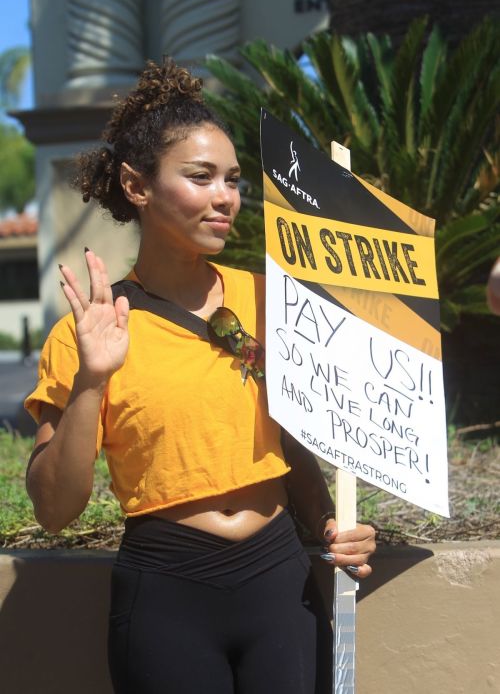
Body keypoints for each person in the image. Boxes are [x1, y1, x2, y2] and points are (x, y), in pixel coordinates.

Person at [25, 58, 376, 694]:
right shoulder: (87, 334)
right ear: (137, 185)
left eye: (235, 180)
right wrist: (91, 380)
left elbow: (290, 436)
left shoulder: (276, 302)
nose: (226, 197)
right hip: (166, 594)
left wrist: (331, 524)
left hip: (280, 583)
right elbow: (55, 508)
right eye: (201, 176)